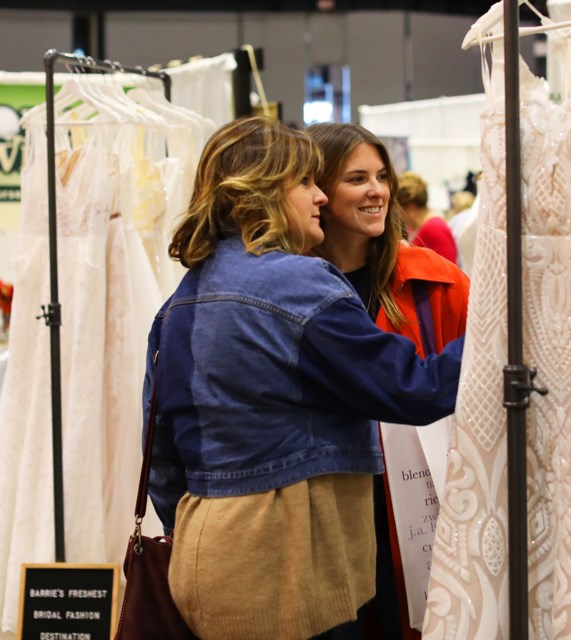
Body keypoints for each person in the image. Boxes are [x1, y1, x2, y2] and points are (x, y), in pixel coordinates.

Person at [144, 115, 464, 640]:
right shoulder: (295, 284)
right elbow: (413, 388)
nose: (318, 197)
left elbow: (160, 452)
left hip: (204, 550)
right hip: (290, 557)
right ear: (262, 191)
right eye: (306, 182)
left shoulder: (180, 300)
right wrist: (505, 336)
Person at [307, 123, 469, 640]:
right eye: (357, 178)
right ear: (318, 191)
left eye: (381, 176)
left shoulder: (436, 279)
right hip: (327, 514)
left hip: (425, 504)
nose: (376, 190)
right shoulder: (289, 289)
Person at [396, 171, 458, 264]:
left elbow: (450, 270)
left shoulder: (435, 228)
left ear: (410, 207)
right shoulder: (412, 228)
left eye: (398, 208)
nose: (398, 214)